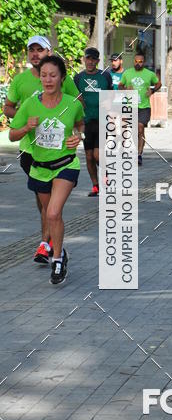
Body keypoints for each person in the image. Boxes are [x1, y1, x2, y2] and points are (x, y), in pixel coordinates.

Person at [3, 35, 80, 265]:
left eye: (40, 49)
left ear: (49, 52)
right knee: (43, 201)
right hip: (30, 152)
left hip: (61, 155)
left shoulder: (62, 78)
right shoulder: (20, 80)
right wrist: (27, 120)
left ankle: (47, 244)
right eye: (31, 50)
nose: (35, 54)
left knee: (53, 207)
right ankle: (49, 239)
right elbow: (8, 108)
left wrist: (77, 135)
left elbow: (78, 110)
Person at [74, 47, 112, 196]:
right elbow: (74, 97)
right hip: (85, 122)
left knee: (97, 155)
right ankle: (95, 186)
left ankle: (106, 177)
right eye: (88, 59)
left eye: (93, 59)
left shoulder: (105, 76)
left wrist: (109, 103)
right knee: (89, 156)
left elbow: (112, 95)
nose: (90, 62)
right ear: (84, 59)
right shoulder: (78, 78)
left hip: (102, 121)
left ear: (98, 61)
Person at [118, 52, 161, 166]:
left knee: (140, 128)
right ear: (134, 61)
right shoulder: (127, 73)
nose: (138, 64)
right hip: (130, 106)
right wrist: (126, 89)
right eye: (136, 61)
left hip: (144, 107)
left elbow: (158, 83)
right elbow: (120, 86)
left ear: (144, 62)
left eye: (140, 62)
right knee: (134, 131)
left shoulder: (149, 74)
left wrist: (152, 90)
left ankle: (139, 154)